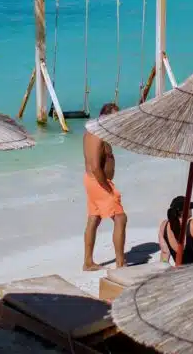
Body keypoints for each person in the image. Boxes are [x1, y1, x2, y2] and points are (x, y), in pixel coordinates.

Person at [83, 102, 127, 271]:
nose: (117, 122)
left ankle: (87, 262)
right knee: (121, 218)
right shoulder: (96, 135)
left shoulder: (96, 132)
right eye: (115, 118)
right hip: (98, 182)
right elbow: (95, 165)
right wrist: (107, 188)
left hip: (92, 181)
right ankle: (120, 264)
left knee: (94, 218)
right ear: (105, 117)